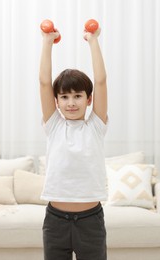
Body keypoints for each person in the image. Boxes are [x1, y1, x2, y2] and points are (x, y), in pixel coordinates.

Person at [39, 23, 108, 260]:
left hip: (90, 221)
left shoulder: (96, 126)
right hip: (55, 221)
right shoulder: (54, 125)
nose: (71, 102)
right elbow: (44, 83)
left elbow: (100, 82)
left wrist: (93, 40)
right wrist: (47, 42)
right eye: (65, 97)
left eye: (78, 96)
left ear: (89, 100)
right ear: (56, 101)